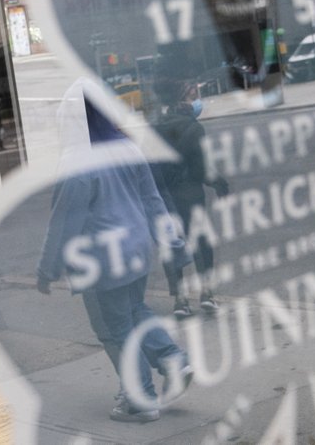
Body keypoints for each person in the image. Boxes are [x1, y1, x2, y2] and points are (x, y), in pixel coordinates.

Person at [36, 79, 192, 423]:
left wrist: (47, 268)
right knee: (135, 311)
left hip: (103, 260)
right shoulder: (129, 148)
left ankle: (140, 398)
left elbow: (64, 223)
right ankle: (173, 361)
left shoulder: (77, 163)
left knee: (113, 329)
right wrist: (175, 247)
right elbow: (153, 203)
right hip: (138, 251)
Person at [153, 78, 228, 319]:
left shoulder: (156, 127)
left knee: (172, 245)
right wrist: (220, 184)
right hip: (190, 195)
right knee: (201, 242)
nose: (196, 101)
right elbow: (202, 169)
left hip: (165, 197)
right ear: (182, 99)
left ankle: (180, 299)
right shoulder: (195, 129)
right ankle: (207, 293)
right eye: (192, 96)